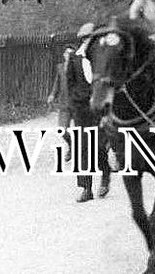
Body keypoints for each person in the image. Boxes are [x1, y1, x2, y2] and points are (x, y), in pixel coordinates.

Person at [62, 23, 111, 202]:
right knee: (83, 148)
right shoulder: (74, 59)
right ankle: (86, 188)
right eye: (86, 39)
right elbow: (69, 83)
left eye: (92, 38)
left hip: (100, 108)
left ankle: (105, 176)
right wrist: (75, 105)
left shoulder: (103, 58)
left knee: (98, 146)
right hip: (81, 109)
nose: (89, 42)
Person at [47, 46, 75, 163]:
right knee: (62, 130)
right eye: (67, 53)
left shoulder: (79, 68)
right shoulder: (60, 67)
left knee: (84, 130)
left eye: (71, 54)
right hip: (64, 103)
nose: (68, 56)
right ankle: (72, 146)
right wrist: (52, 94)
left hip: (77, 103)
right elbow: (57, 83)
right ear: (64, 55)